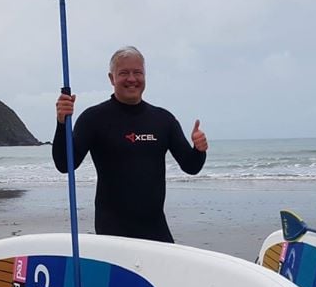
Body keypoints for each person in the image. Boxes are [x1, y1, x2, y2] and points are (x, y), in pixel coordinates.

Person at [52, 46, 208, 243]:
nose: (132, 78)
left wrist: (199, 150)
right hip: (112, 231)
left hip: (156, 229)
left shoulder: (163, 120)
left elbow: (191, 166)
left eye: (138, 72)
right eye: (124, 73)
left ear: (145, 76)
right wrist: (61, 123)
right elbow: (64, 164)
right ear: (112, 78)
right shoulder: (94, 118)